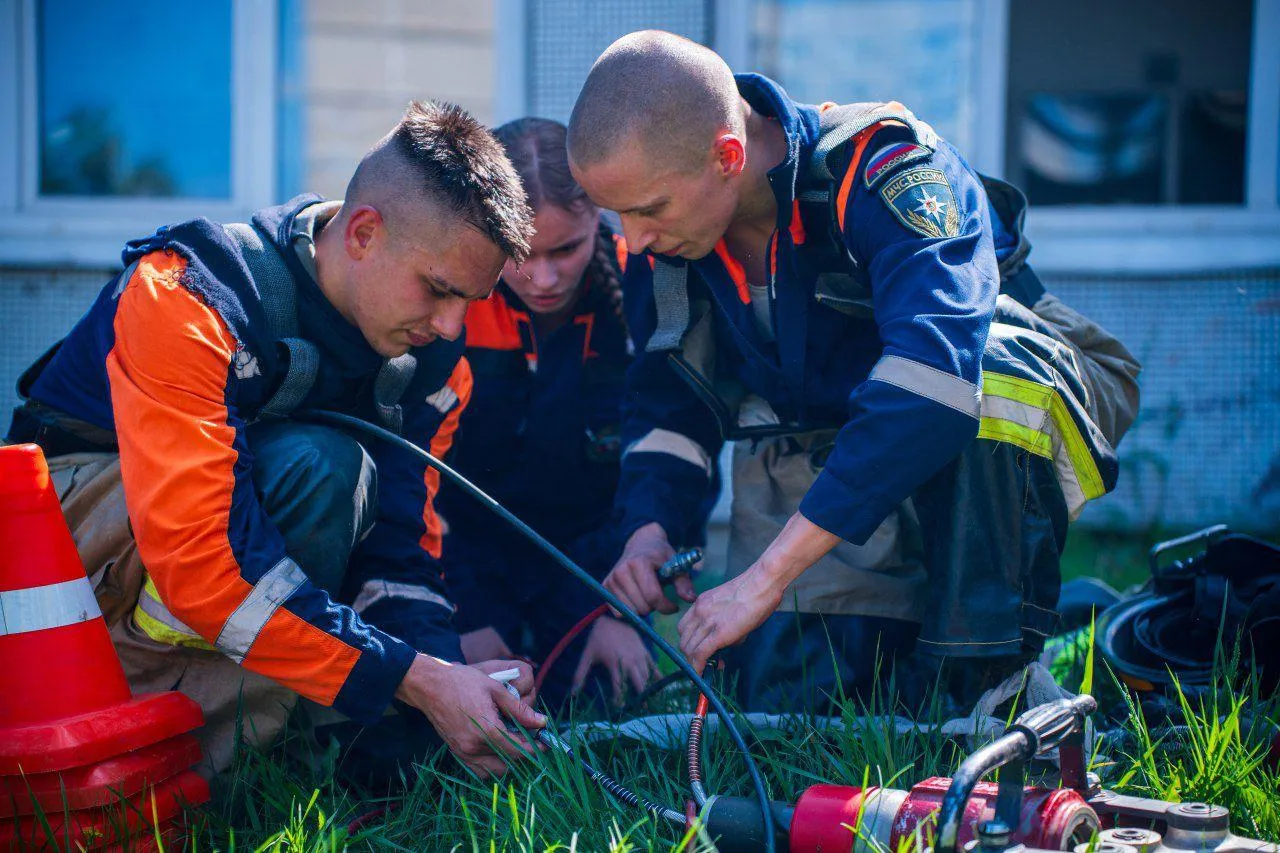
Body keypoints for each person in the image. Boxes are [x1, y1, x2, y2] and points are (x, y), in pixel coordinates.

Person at [566, 31, 1142, 713]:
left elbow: (936, 381)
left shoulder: (885, 168)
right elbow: (668, 409)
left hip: (1007, 391)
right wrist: (649, 529)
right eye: (619, 216)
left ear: (727, 156)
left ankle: (1000, 673)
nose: (632, 240)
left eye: (648, 210)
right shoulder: (666, 244)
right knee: (792, 711)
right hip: (845, 427)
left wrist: (767, 575)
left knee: (985, 380)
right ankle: (1074, 616)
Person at [6, 100, 546, 782]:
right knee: (319, 469)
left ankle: (274, 754)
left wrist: (452, 699)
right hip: (62, 540)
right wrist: (414, 677)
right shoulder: (189, 294)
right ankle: (154, 760)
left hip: (210, 550)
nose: (450, 325)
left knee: (323, 477)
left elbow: (399, 557)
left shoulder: (434, 367)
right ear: (363, 233)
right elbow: (203, 565)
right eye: (438, 289)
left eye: (471, 298)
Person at [438, 117, 658, 712]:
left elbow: (664, 464)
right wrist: (464, 611)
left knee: (609, 707)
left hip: (591, 561)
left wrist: (621, 611)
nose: (544, 277)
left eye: (567, 248)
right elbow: (412, 479)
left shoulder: (650, 283)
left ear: (600, 218)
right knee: (463, 714)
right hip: (465, 554)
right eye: (520, 254)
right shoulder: (445, 301)